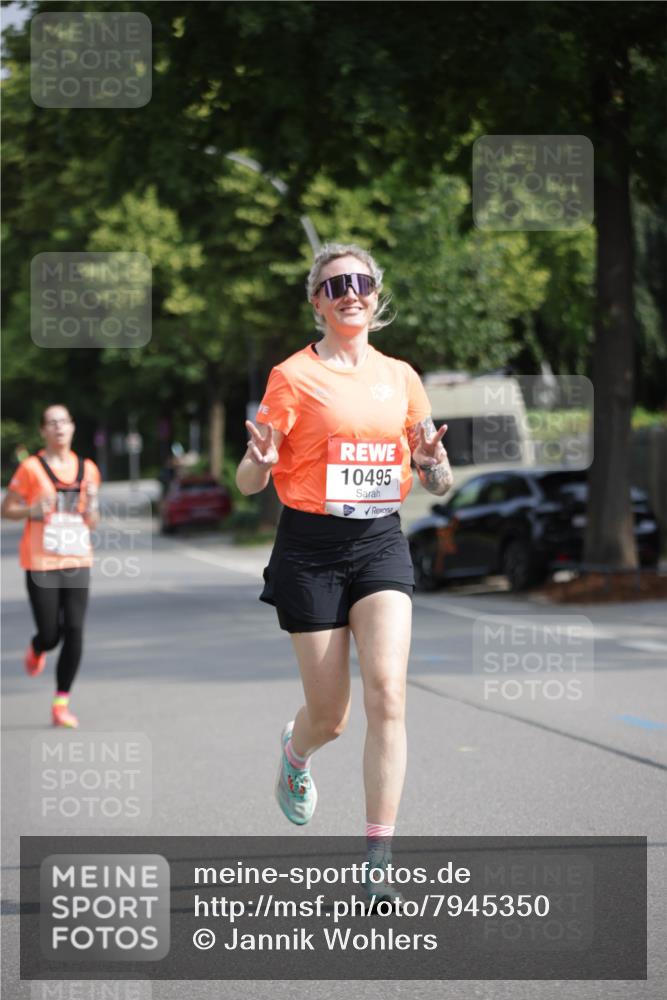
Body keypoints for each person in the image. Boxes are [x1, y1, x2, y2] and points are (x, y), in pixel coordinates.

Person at [236, 243, 453, 906]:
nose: (349, 292)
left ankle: (378, 855)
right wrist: (262, 461)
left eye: (360, 282)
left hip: (380, 542)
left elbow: (439, 486)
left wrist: (430, 464)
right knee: (330, 717)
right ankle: (295, 754)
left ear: (375, 293)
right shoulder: (292, 377)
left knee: (389, 694)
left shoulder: (402, 377)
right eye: (335, 285)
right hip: (310, 548)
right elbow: (247, 483)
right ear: (317, 302)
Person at [1, 405, 101, 728]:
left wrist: (93, 508)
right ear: (43, 431)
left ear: (73, 427)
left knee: (74, 630)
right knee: (50, 634)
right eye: (52, 423)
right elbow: (6, 509)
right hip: (41, 561)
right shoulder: (32, 468)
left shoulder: (88, 469)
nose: (59, 428)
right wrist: (32, 509)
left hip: (77, 559)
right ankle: (36, 647)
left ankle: (61, 703)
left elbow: (94, 520)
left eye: (64, 422)